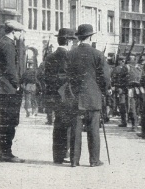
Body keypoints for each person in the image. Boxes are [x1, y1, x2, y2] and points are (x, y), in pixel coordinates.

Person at [67, 24, 109, 167]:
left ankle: (74, 160)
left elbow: (66, 75)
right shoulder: (98, 54)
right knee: (93, 130)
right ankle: (94, 160)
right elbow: (105, 78)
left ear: (78, 37)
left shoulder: (70, 54)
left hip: (75, 96)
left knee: (75, 130)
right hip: (93, 96)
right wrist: (103, 90)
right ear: (90, 36)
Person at [0, 20, 25, 163]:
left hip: (3, 88)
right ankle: (5, 153)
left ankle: (4, 151)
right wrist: (18, 85)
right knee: (8, 120)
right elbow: (10, 69)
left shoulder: (2, 43)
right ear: (14, 32)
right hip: (8, 89)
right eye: (20, 32)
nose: (21, 35)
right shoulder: (8, 45)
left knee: (5, 120)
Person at [43, 28, 78, 164]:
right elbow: (68, 76)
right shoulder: (69, 56)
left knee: (58, 124)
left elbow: (46, 77)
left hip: (54, 95)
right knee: (68, 124)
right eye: (72, 41)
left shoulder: (50, 56)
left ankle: (57, 155)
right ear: (69, 41)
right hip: (66, 94)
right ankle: (66, 152)